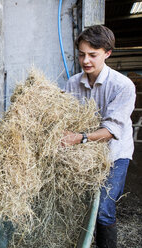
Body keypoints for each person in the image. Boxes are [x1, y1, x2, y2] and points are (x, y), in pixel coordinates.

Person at [61, 25, 136, 248]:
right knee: (80, 204)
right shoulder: (73, 83)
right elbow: (64, 117)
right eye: (82, 54)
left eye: (93, 55)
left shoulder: (123, 86)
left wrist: (78, 138)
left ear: (107, 53)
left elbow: (112, 131)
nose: (86, 61)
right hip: (83, 154)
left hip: (114, 154)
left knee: (103, 207)